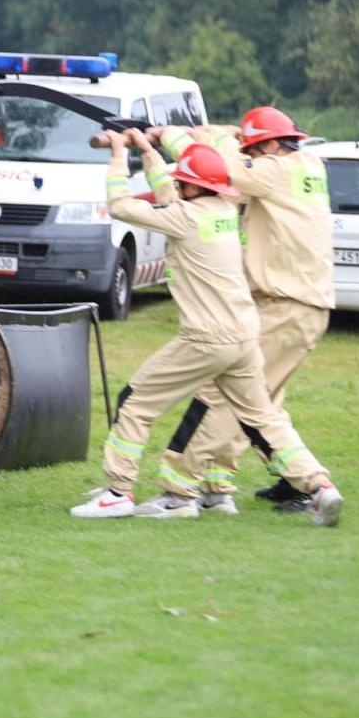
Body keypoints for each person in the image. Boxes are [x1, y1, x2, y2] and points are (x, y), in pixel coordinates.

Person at [68, 129, 342, 526]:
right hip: (246, 338)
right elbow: (169, 190)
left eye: (183, 182)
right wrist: (146, 149)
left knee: (135, 403)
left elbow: (119, 205)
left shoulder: (184, 216)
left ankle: (117, 492)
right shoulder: (224, 210)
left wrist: (116, 156)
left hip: (205, 339)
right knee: (262, 418)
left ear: (193, 188)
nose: (176, 185)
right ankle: (320, 488)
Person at [149, 107, 334, 515]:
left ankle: (178, 491)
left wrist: (173, 138)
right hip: (305, 306)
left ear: (269, 146)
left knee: (219, 394)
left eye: (256, 147)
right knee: (261, 403)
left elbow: (218, 170)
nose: (254, 154)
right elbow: (233, 157)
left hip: (282, 305)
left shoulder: (271, 171)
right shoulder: (309, 163)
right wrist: (220, 133)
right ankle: (226, 484)